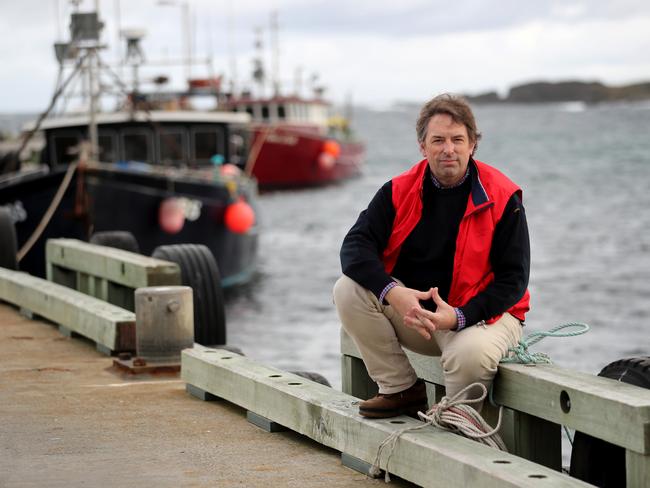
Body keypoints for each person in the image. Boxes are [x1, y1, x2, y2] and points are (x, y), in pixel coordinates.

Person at [333, 93, 530, 419]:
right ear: (423, 146)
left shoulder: (504, 197)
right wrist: (393, 293)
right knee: (348, 289)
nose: (448, 149)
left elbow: (514, 281)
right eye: (438, 140)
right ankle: (401, 391)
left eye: (457, 140)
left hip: (483, 318)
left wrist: (459, 317)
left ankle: (458, 423)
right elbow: (354, 247)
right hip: (419, 317)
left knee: (467, 355)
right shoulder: (398, 191)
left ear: (472, 145)